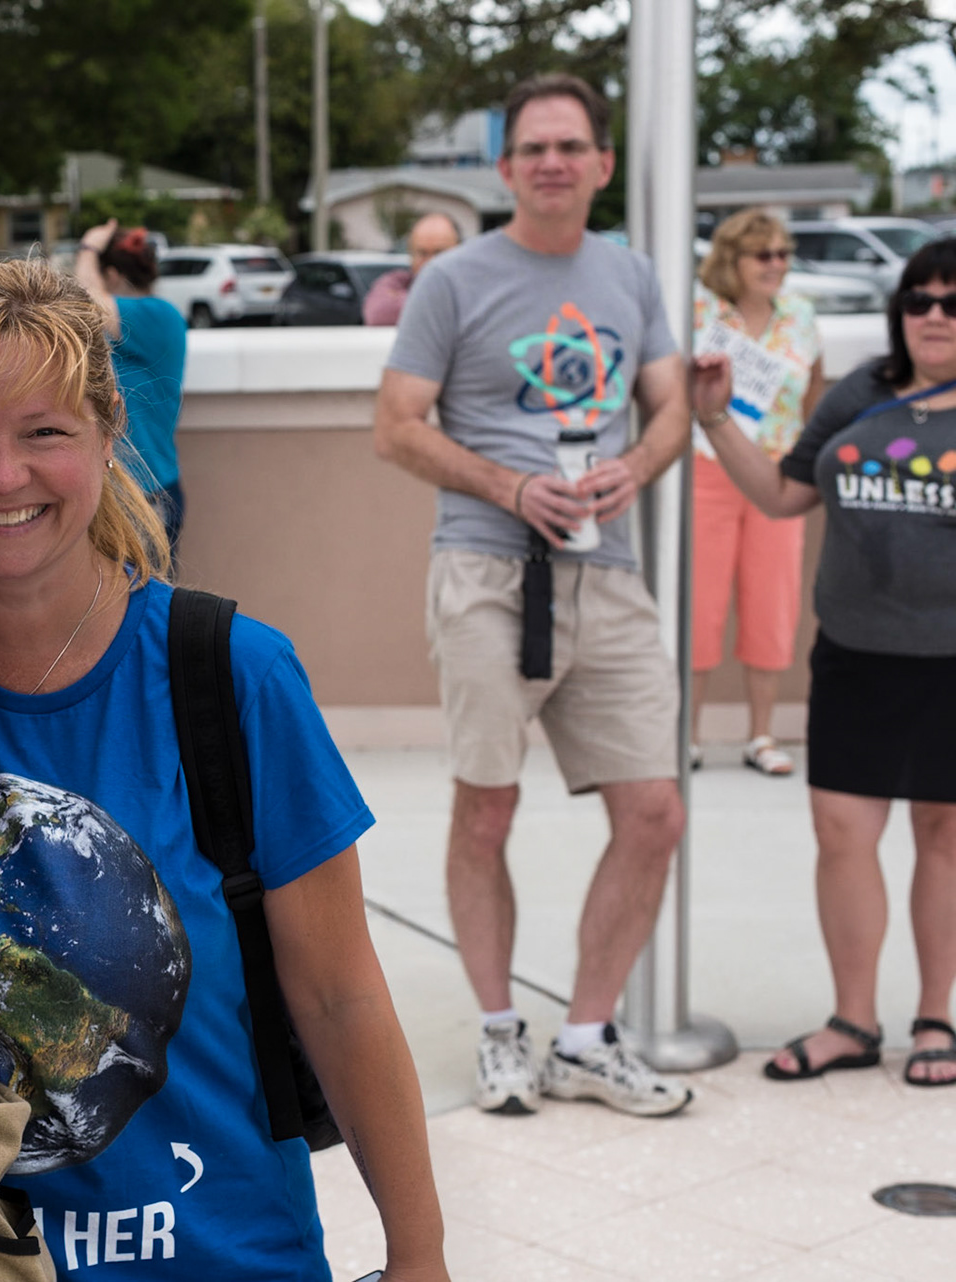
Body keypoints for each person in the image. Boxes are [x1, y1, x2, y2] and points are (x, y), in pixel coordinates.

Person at [0, 258, 449, 1282]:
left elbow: (341, 994)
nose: (4, 477)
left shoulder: (231, 674)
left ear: (105, 433)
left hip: (223, 1255)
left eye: (43, 432)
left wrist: (421, 1256)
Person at [372, 72, 696, 1118]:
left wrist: (633, 470)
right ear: (507, 168)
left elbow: (670, 407)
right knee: (487, 809)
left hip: (607, 572)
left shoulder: (633, 277)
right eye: (534, 148)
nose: (553, 162)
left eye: (572, 146)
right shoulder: (455, 280)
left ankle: (588, 1035)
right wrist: (511, 484)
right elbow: (397, 424)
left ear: (603, 164)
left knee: (654, 810)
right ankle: (502, 1030)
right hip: (486, 568)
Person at [692, 237, 956, 1088]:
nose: (935, 317)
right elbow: (778, 495)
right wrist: (712, 419)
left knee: (943, 838)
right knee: (842, 837)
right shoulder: (861, 392)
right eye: (919, 300)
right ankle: (854, 1020)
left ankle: (935, 1019)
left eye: (953, 302)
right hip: (853, 658)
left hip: (949, 664)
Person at [688, 209, 822, 776]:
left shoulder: (801, 315)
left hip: (778, 474)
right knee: (700, 603)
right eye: (763, 254)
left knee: (773, 602)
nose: (776, 265)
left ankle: (761, 735)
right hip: (707, 467)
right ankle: (687, 736)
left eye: (783, 253)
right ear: (733, 258)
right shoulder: (699, 311)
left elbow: (813, 391)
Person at [74, 218, 189, 548]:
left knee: (142, 597)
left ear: (111, 275)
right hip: (121, 492)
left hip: (145, 497)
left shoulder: (158, 314)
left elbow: (85, 302)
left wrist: (88, 247)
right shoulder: (120, 327)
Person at [363, 212, 463, 327]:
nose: (430, 262)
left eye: (439, 253)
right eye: (422, 253)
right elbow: (378, 314)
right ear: (411, 254)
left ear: (459, 252)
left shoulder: (474, 286)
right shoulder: (398, 282)